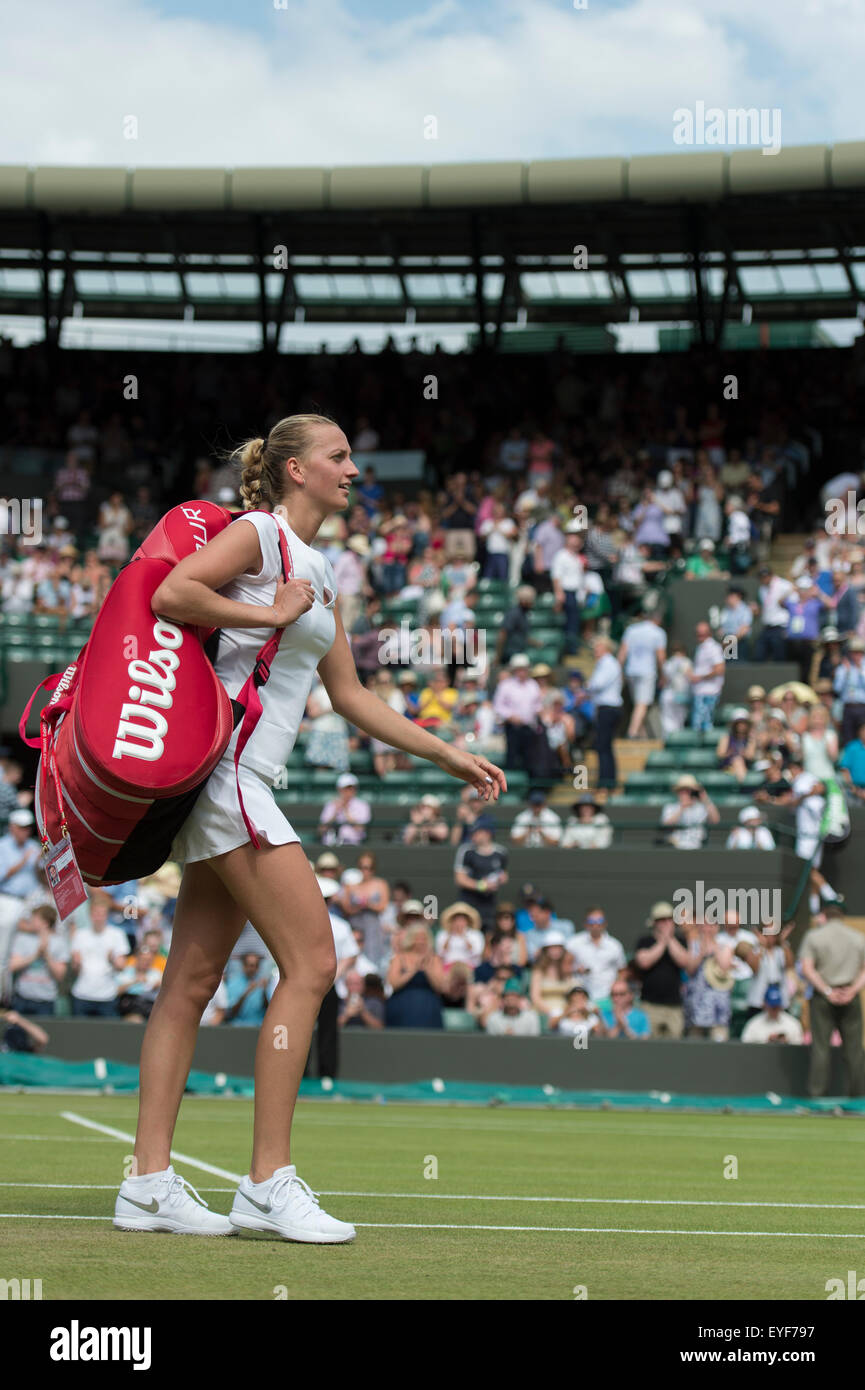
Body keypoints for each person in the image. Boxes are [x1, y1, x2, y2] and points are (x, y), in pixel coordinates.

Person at [115, 413, 506, 1243]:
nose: (353, 469)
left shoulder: (323, 570)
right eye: (337, 457)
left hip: (238, 780)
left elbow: (354, 698)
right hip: (226, 771)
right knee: (314, 960)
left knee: (188, 984)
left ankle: (147, 1183)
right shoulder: (257, 533)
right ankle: (266, 1181)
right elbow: (171, 593)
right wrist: (266, 614)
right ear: (294, 470)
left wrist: (449, 755)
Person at [798, 905, 865, 1097]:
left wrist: (827, 991)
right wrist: (852, 990)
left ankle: (817, 1096)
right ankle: (859, 1098)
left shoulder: (814, 936)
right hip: (849, 996)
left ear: (824, 915)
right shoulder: (857, 937)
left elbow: (807, 969)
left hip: (823, 997)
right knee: (855, 1051)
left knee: (820, 1049)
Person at [632, 902, 689, 1038]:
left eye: (669, 919)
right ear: (654, 923)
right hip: (650, 1005)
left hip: (674, 1006)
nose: (666, 923)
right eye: (662, 920)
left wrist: (670, 939)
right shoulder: (645, 941)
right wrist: (663, 942)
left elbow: (684, 961)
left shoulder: (680, 941)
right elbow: (644, 962)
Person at [70, 889, 130, 1018]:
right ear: (90, 914)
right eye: (96, 913)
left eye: (102, 914)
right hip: (81, 994)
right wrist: (76, 964)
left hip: (107, 996)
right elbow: (75, 970)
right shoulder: (80, 935)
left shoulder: (117, 934)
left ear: (107, 915)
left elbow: (121, 966)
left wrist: (112, 960)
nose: (99, 917)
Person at [7, 905, 67, 1016]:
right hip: (22, 998)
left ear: (45, 922)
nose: (31, 921)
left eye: (35, 919)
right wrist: (35, 955)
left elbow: (60, 975)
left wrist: (47, 955)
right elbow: (12, 966)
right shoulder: (22, 938)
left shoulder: (59, 942)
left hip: (46, 1000)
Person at [618, 604, 667, 739]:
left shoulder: (631, 630)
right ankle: (632, 732)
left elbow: (622, 653)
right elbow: (661, 657)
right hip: (647, 672)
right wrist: (663, 675)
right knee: (642, 704)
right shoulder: (658, 633)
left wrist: (620, 671)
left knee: (639, 704)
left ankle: (642, 735)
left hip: (631, 671)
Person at [385, 924, 446, 1028]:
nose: (421, 941)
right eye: (418, 938)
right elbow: (394, 983)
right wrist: (413, 970)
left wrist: (427, 969)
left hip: (428, 1006)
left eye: (424, 938)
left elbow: (440, 987)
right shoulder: (399, 958)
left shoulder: (434, 959)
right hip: (402, 1004)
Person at [453, 818, 509, 931]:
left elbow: (504, 874)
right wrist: (481, 885)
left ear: (487, 833)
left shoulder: (501, 852)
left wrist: (500, 880)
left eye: (476, 832)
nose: (473, 835)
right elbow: (460, 878)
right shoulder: (466, 851)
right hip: (469, 901)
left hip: (489, 904)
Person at [564, 907, 626, 1004]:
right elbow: (565, 967)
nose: (595, 924)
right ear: (585, 923)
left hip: (608, 997)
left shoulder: (615, 945)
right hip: (580, 996)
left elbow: (622, 971)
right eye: (591, 921)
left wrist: (616, 989)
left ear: (605, 923)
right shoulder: (574, 943)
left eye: (599, 920)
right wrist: (576, 969)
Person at [586, 635, 623, 788]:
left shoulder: (607, 663)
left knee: (603, 746)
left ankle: (606, 782)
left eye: (598, 646)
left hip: (608, 709)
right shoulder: (608, 663)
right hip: (607, 708)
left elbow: (597, 684)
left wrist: (587, 685)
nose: (595, 650)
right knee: (604, 746)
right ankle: (607, 780)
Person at [660, 774, 720, 849]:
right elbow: (666, 826)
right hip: (675, 847)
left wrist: (705, 800)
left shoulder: (701, 808)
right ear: (678, 792)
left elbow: (715, 820)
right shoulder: (670, 807)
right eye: (682, 790)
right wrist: (682, 808)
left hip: (697, 848)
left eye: (689, 791)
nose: (685, 794)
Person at [689, 621, 725, 732]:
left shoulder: (713, 648)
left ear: (709, 633)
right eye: (698, 634)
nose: (700, 636)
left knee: (704, 726)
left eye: (702, 634)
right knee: (697, 726)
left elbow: (720, 669)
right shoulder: (700, 648)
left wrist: (698, 677)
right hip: (700, 692)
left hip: (709, 693)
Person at [319, 772, 372, 845]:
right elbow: (321, 829)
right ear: (339, 789)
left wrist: (346, 811)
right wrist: (335, 813)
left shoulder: (363, 805)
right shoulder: (331, 805)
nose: (348, 791)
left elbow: (360, 828)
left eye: (351, 788)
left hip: (353, 844)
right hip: (331, 845)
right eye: (345, 789)